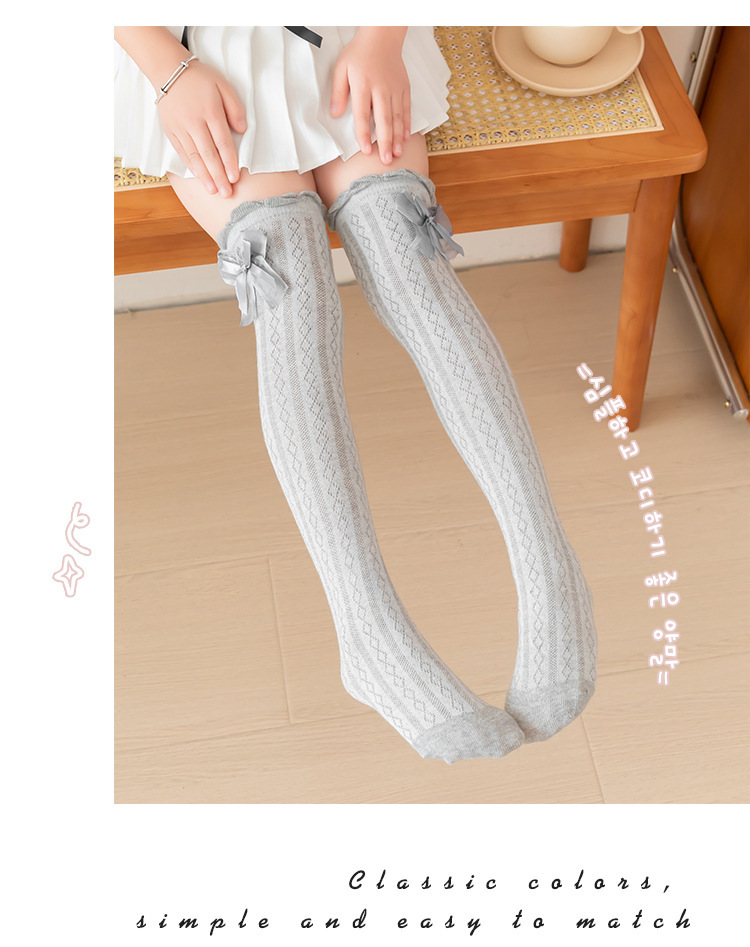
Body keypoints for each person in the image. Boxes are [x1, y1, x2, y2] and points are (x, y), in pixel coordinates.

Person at [114, 26, 597, 764]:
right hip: (192, 46)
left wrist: (382, 37)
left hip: (348, 29)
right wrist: (168, 71)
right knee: (289, 288)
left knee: (406, 252)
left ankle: (549, 567)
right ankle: (367, 631)